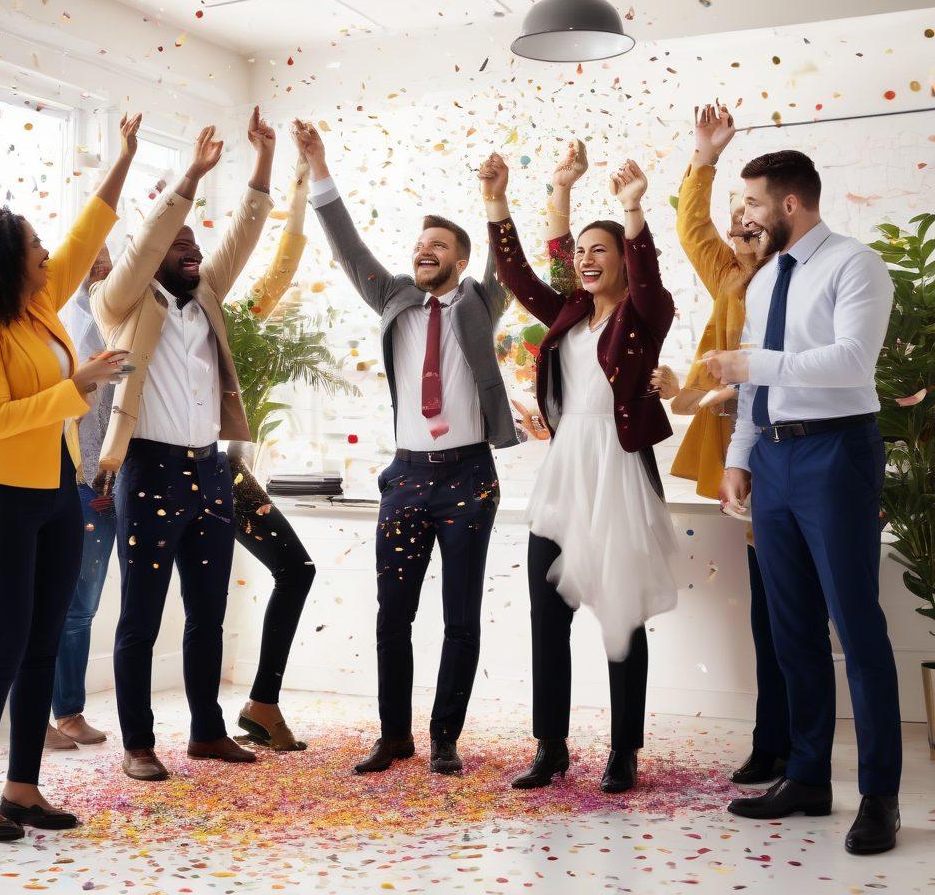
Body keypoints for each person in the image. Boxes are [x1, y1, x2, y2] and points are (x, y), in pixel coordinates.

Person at [0, 114, 141, 841]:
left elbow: (87, 233)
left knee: (44, 643)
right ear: (3, 262)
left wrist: (123, 160)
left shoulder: (38, 307)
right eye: (34, 248)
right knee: (5, 645)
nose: (48, 254)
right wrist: (79, 383)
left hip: (56, 494)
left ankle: (22, 787)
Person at [291, 118, 517, 776]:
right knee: (394, 615)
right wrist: (321, 166)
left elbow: (521, 267)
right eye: (420, 242)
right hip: (409, 477)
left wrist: (497, 201)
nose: (424, 250)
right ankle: (395, 736)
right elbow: (346, 243)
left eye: (438, 244)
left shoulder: (481, 301)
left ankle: (444, 736)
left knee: (461, 619)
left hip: (470, 477)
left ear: (460, 260)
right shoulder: (392, 296)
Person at [708, 149, 901, 855]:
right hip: (776, 458)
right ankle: (809, 778)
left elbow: (853, 361)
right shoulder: (763, 285)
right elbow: (756, 389)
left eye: (753, 203)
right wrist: (739, 458)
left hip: (837, 451)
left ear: (790, 204)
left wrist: (751, 365)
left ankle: (880, 796)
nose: (743, 216)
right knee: (791, 629)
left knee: (857, 625)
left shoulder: (856, 264)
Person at [483, 148, 678, 794]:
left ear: (624, 258)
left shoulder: (646, 313)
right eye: (582, 253)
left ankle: (624, 751)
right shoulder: (567, 313)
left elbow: (648, 277)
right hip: (565, 474)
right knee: (548, 614)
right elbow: (516, 273)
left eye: (603, 251)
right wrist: (507, 200)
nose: (588, 260)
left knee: (620, 616)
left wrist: (632, 209)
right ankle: (551, 747)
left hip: (618, 473)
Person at [91, 110, 276, 782]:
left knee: (208, 615)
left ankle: (206, 732)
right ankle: (138, 744)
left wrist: (261, 164)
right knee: (140, 615)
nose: (191, 251)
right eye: (179, 244)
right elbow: (141, 250)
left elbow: (244, 237)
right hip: (149, 472)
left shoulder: (206, 300)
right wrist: (192, 175)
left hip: (209, 475)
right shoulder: (121, 304)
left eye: (194, 244)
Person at [667, 103, 791, 785]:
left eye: (754, 210)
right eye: (738, 212)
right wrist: (704, 156)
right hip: (747, 458)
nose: (742, 222)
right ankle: (772, 738)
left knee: (793, 608)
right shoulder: (732, 275)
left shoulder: (811, 279)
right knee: (769, 609)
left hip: (804, 452)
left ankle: (791, 739)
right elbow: (691, 227)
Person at [227, 156, 316, 751]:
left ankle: (262, 703)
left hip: (229, 476)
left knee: (295, 569)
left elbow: (282, 267)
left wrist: (301, 184)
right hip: (179, 475)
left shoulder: (236, 318)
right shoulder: (148, 319)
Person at [44, 244, 118, 751]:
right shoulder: (82, 320)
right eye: (100, 262)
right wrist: (100, 478)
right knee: (74, 607)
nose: (108, 269)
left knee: (74, 606)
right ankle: (63, 713)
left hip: (94, 480)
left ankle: (61, 711)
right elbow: (85, 411)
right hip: (85, 483)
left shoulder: (102, 316)